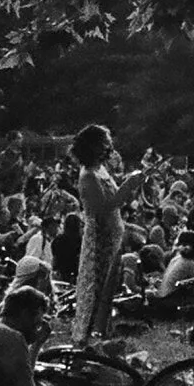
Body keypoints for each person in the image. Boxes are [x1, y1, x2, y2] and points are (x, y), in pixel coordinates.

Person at [71, 124, 148, 347]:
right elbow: (103, 208)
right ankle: (87, 336)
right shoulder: (88, 176)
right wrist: (127, 186)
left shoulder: (101, 171)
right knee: (96, 288)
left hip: (113, 236)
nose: (109, 147)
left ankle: (102, 332)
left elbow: (117, 200)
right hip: (100, 240)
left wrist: (133, 186)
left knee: (109, 288)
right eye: (105, 143)